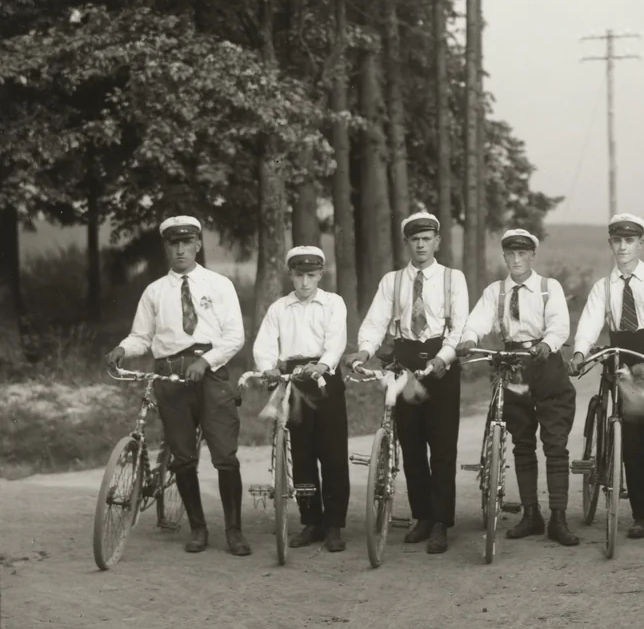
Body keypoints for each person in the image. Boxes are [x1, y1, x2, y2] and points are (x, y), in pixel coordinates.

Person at [104, 216, 250, 556]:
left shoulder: (219, 285)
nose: (181, 249)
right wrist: (124, 348)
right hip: (170, 377)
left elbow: (234, 337)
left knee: (225, 455)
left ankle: (234, 531)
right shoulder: (155, 292)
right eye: (174, 243)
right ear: (166, 247)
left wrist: (206, 361)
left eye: (187, 242)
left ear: (198, 245)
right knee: (183, 457)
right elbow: (142, 336)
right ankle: (198, 528)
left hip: (211, 374)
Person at [342, 212, 469, 555]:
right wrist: (364, 351)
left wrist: (445, 357)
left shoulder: (452, 279)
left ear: (437, 242)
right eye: (415, 239)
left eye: (427, 239)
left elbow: (459, 326)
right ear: (407, 243)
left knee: (441, 446)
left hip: (441, 362)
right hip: (404, 363)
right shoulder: (392, 281)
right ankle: (423, 516)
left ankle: (442, 521)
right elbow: (374, 322)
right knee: (410, 445)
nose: (421, 245)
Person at [569, 213, 644, 545]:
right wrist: (579, 353)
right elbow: (591, 324)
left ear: (640, 243)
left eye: (629, 241)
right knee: (631, 446)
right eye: (617, 241)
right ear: (611, 244)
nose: (623, 247)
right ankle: (641, 517)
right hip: (622, 363)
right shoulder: (603, 287)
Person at [455, 229, 578, 547]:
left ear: (532, 257)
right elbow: (477, 321)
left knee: (554, 443)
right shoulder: (494, 292)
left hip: (545, 364)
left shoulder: (549, 289)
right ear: (505, 257)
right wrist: (470, 338)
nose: (517, 260)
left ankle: (559, 519)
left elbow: (560, 325)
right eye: (511, 254)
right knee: (522, 441)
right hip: (511, 364)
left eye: (522, 254)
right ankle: (531, 514)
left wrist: (548, 344)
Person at [252, 246, 350, 553]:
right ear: (290, 275)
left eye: (311, 275)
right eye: (299, 275)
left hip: (324, 378)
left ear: (320, 274)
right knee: (303, 456)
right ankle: (312, 521)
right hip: (294, 381)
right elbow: (265, 343)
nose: (305, 283)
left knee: (332, 455)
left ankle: (334, 524)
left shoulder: (333, 303)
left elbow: (336, 340)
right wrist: (268, 368)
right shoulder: (280, 308)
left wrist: (323, 364)